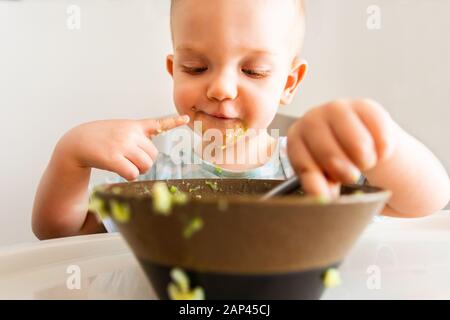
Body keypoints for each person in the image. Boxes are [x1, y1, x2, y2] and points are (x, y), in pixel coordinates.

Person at [32, 0, 450, 239]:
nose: (221, 89)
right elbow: (59, 236)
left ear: (289, 82)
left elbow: (424, 204)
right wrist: (71, 156)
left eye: (253, 71)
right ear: (172, 68)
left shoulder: (309, 174)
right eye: (196, 67)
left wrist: (381, 141)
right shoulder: (147, 166)